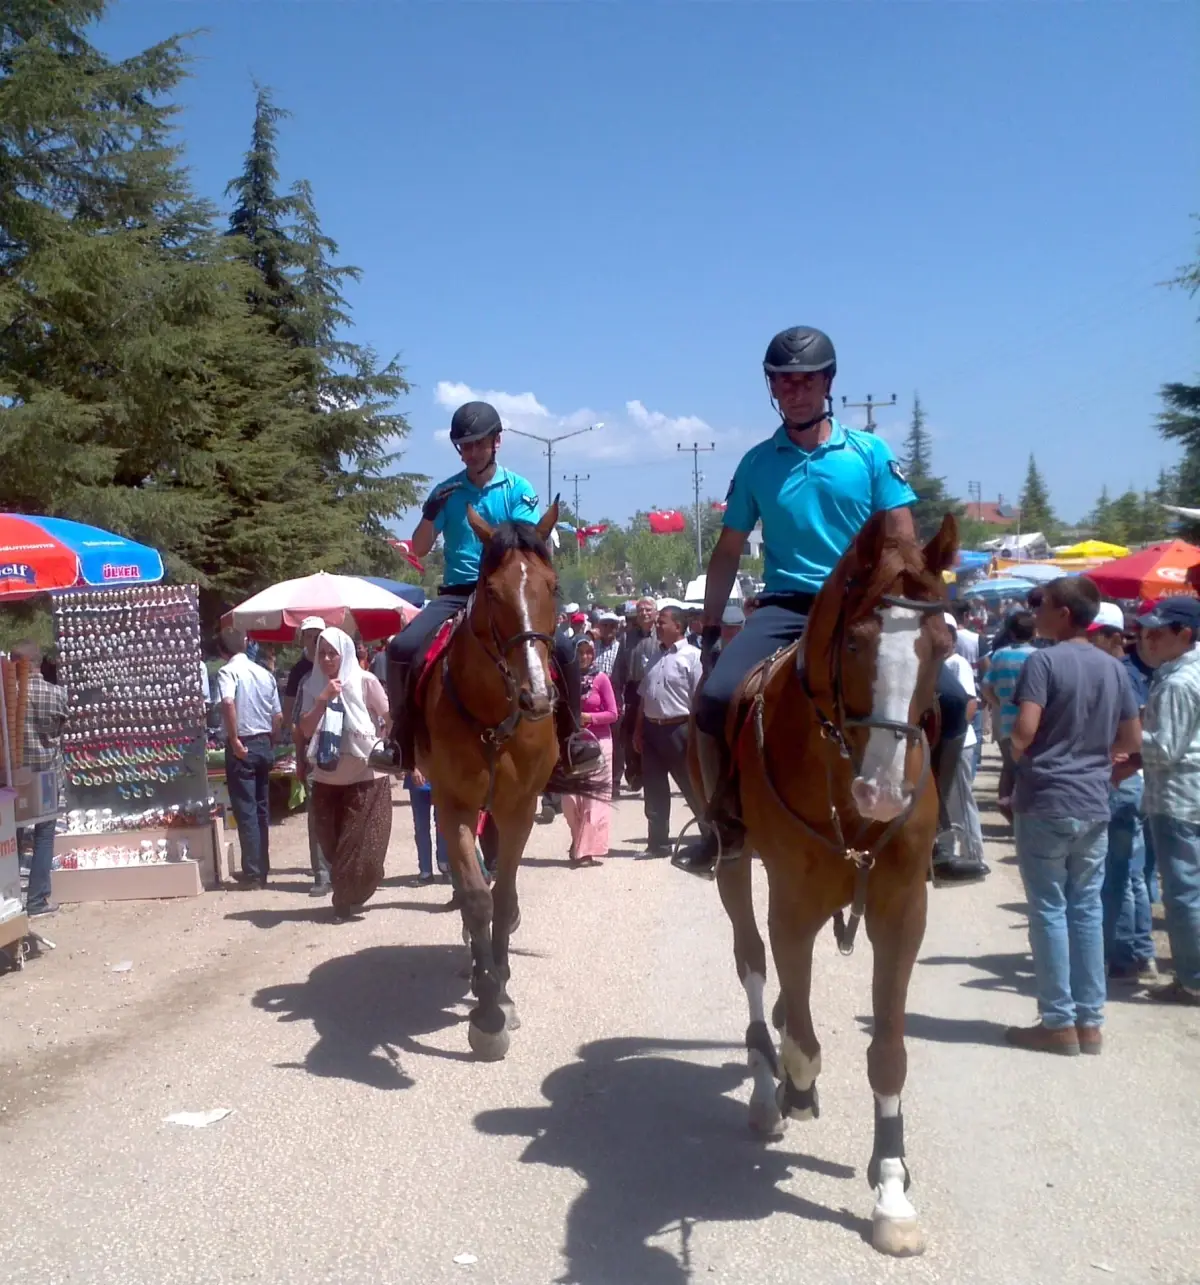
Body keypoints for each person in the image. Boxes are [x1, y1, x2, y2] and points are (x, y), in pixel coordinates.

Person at [694, 325, 917, 856]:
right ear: (772, 388)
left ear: (828, 381)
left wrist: (910, 611)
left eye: (806, 380)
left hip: (863, 609)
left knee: (949, 700)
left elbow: (904, 537)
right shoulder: (755, 463)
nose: (795, 390)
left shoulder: (869, 453)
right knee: (715, 698)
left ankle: (946, 826)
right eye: (783, 382)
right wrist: (708, 628)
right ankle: (722, 819)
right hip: (787, 607)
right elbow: (727, 551)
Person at [383, 400, 599, 781]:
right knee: (401, 647)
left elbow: (528, 541)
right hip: (456, 591)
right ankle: (399, 742)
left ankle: (572, 737)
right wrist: (431, 513)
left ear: (496, 442)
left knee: (563, 647)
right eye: (464, 446)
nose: (471, 453)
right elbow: (417, 548)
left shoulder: (518, 488)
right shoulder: (446, 492)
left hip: (507, 590)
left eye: (478, 444)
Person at [1007, 577, 1141, 1054]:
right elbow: (1131, 741)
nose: (1036, 612)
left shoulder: (1042, 662)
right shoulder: (1114, 669)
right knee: (1086, 908)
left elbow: (1024, 729)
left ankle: (1058, 1021)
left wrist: (1022, 756)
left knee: (1048, 908)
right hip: (1093, 799)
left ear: (1063, 613)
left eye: (1042, 605)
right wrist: (1099, 765)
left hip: (1047, 797)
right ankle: (1090, 1023)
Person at [297, 627, 392, 917]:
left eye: (332, 653)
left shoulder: (365, 681)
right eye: (321, 653)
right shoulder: (311, 685)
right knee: (330, 843)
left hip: (365, 777)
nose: (326, 659)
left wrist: (384, 740)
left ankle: (345, 898)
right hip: (326, 778)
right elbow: (305, 729)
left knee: (364, 849)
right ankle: (346, 889)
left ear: (346, 653)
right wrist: (323, 699)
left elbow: (389, 714)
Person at [1087, 602, 1157, 985]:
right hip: (1132, 777)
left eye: (1093, 633)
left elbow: (1132, 733)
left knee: (1119, 872)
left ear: (1113, 636)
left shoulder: (1122, 673)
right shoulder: (1136, 671)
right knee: (1133, 872)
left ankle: (1123, 954)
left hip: (1121, 777)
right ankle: (1137, 951)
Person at [1136, 596, 1200, 1006]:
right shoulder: (1183, 672)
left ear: (1185, 635)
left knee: (1183, 893)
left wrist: (1127, 732)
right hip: (1187, 794)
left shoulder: (1178, 682)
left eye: (1158, 633)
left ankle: (1192, 979)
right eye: (1145, 631)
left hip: (1177, 797)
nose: (1148, 640)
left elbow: (1163, 750)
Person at [634, 606, 709, 866]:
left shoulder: (693, 657)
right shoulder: (656, 656)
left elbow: (698, 700)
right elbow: (645, 698)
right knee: (654, 789)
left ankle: (710, 841)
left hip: (681, 730)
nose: (656, 626)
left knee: (693, 787)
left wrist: (697, 737)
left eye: (662, 622)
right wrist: (638, 729)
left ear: (678, 626)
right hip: (653, 731)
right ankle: (657, 843)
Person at [216, 627, 282, 889]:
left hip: (242, 744)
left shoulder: (227, 672)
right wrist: (272, 739)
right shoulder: (265, 673)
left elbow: (228, 702)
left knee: (246, 810)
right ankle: (261, 869)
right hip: (263, 742)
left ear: (222, 651)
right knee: (261, 809)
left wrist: (234, 739)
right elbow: (277, 716)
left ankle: (253, 872)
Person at [13, 641, 67, 918]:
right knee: (44, 835)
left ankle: (8, 899)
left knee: (12, 838)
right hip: (46, 774)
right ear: (37, 663)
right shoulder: (56, 694)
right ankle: (37, 900)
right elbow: (61, 729)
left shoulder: (6, 696)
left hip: (13, 778)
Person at [935, 614, 988, 881]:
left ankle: (974, 855)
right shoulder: (937, 664)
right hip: (946, 742)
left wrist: (954, 734)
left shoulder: (957, 664)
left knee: (962, 802)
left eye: (945, 633)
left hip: (959, 742)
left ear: (953, 638)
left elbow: (970, 702)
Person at [286, 618, 334, 895]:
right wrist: (300, 757)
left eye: (320, 636)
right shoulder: (303, 677)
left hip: (345, 758)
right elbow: (296, 723)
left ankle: (342, 870)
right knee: (317, 815)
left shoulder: (347, 673)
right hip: (316, 756)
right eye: (310, 636)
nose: (316, 643)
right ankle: (322, 873)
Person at [562, 637, 619, 865]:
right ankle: (578, 841)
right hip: (573, 744)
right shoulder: (567, 681)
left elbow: (613, 713)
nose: (585, 657)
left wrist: (590, 718)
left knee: (593, 800)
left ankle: (586, 850)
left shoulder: (601, 678)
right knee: (570, 800)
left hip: (599, 743)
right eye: (580, 652)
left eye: (588, 652)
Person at [981, 609, 1037, 820]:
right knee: (1029, 768)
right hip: (1033, 722)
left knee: (1009, 765)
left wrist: (1000, 704)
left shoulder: (999, 655)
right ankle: (1025, 813)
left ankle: (1007, 808)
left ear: (1011, 633)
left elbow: (986, 687)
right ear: (1034, 633)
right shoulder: (1038, 656)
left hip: (1005, 721)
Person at [612, 597, 659, 794]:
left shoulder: (662, 635)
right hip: (633, 690)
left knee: (654, 735)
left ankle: (652, 775)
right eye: (640, 610)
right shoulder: (626, 637)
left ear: (656, 613)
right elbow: (619, 670)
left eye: (648, 610)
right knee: (629, 734)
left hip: (656, 689)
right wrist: (617, 695)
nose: (644, 613)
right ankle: (634, 772)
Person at [406, 768, 449, 883]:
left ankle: (445, 864)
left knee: (443, 823)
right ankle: (425, 871)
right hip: (418, 778)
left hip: (442, 777)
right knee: (421, 827)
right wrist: (412, 768)